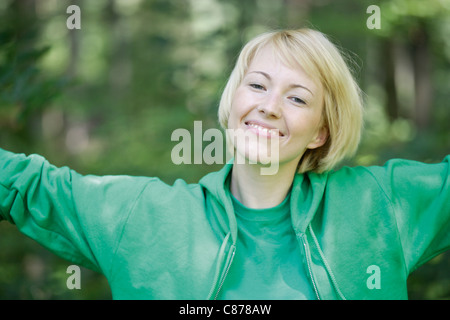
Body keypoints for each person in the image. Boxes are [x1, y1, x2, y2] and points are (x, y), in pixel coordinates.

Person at [0, 28, 448, 300]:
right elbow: (26, 184)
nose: (270, 107)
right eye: (257, 85)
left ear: (320, 132)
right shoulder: (143, 216)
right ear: (233, 100)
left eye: (297, 97)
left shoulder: (380, 205)